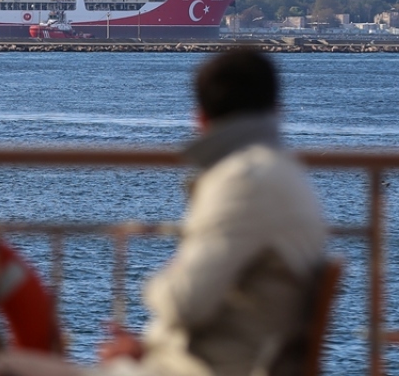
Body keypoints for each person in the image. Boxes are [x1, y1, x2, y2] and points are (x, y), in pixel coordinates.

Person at [97, 48, 327, 376]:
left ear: (201, 118)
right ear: (277, 110)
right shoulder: (284, 172)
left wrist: (160, 281)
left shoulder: (244, 180)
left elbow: (185, 302)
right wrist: (148, 347)